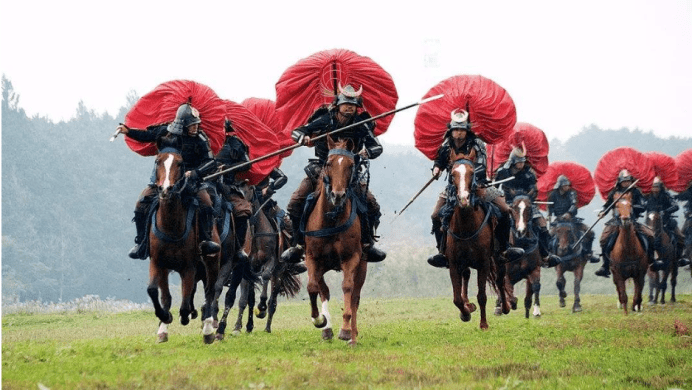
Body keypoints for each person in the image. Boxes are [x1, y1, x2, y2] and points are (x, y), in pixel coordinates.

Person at [281, 84, 386, 263]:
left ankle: (367, 243)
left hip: (349, 173)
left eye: (352, 104)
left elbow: (377, 147)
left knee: (371, 204)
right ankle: (298, 244)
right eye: (346, 103)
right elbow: (297, 131)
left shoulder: (361, 123)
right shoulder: (324, 119)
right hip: (322, 168)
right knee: (295, 202)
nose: (349, 107)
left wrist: (366, 152)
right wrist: (303, 138)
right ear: (338, 104)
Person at [117, 103, 221, 258]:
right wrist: (129, 131)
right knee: (141, 203)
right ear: (183, 124)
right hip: (164, 180)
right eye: (192, 125)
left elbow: (210, 162)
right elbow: (147, 136)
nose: (196, 127)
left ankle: (204, 241)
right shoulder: (165, 132)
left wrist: (196, 172)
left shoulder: (200, 138)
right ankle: (142, 243)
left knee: (205, 201)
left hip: (191, 181)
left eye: (196, 124)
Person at [426, 109, 525, 268]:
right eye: (456, 130)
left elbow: (480, 167)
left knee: (505, 210)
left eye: (462, 130)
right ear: (451, 130)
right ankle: (443, 252)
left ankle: (504, 248)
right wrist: (436, 169)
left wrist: (469, 180)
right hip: (453, 189)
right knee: (435, 215)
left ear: (467, 131)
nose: (458, 133)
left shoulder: (477, 144)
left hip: (479, 186)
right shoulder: (446, 146)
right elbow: (439, 162)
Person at [494, 147, 561, 267]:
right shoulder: (503, 172)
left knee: (542, 225)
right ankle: (499, 252)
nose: (521, 164)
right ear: (513, 161)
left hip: (527, 203)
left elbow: (534, 189)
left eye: (522, 161)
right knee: (496, 222)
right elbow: (495, 188)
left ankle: (545, 255)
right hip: (508, 202)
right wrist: (503, 196)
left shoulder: (529, 172)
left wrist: (528, 194)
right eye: (519, 161)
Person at [595, 169, 661, 277]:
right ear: (620, 182)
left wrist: (630, 206)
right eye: (624, 181)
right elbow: (607, 205)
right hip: (616, 221)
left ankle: (652, 260)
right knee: (604, 239)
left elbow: (643, 206)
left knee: (650, 235)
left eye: (628, 181)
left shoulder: (636, 192)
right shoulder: (614, 192)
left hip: (632, 221)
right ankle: (605, 266)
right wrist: (603, 212)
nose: (626, 183)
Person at [214, 119, 254, 263]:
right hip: (205, 184)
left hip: (227, 186)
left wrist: (227, 167)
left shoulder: (235, 143)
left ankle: (238, 248)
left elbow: (246, 164)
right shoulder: (202, 139)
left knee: (243, 211)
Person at [547, 175, 598, 263]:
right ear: (560, 186)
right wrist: (549, 215)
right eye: (565, 185)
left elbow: (574, 205)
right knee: (548, 235)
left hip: (572, 220)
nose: (567, 187)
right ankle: (548, 255)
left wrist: (569, 213)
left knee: (590, 233)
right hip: (558, 220)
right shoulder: (552, 194)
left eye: (568, 185)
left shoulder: (572, 193)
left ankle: (588, 253)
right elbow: (550, 206)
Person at [645, 176, 687, 266]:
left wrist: (665, 211)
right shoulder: (648, 197)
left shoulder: (666, 195)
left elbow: (675, 206)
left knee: (680, 237)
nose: (655, 189)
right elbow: (642, 206)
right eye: (653, 187)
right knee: (643, 238)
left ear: (660, 187)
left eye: (657, 187)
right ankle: (648, 259)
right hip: (651, 223)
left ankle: (680, 258)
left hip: (666, 221)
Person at [253, 167, 293, 247]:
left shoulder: (266, 163)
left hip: (265, 202)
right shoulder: (239, 161)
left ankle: (291, 251)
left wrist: (270, 188)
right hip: (244, 202)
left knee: (286, 223)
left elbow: (282, 177)